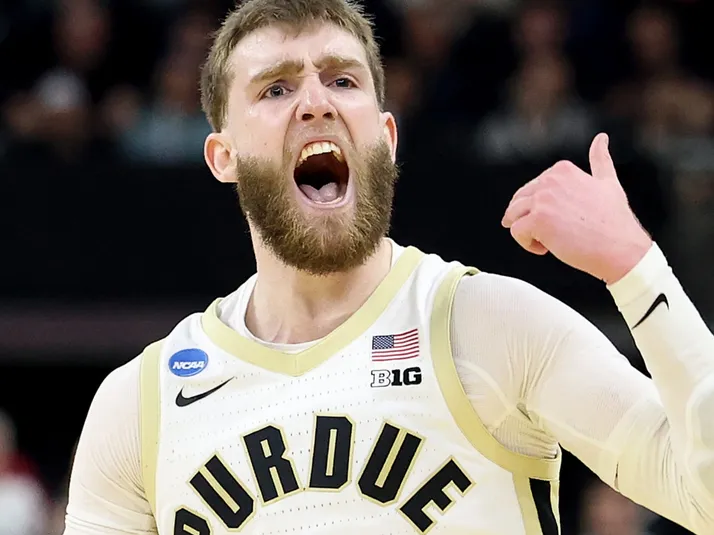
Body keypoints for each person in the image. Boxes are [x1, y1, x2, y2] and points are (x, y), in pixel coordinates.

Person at [62, 0, 714, 534]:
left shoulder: (492, 323)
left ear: (387, 136)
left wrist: (637, 268)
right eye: (276, 87)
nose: (316, 103)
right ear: (222, 155)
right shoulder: (140, 402)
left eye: (343, 80)